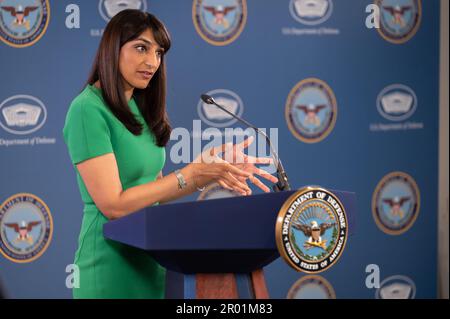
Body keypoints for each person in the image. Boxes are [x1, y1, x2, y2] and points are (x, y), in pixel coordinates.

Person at [62, 9, 278, 299]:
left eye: (159, 52)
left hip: (150, 262)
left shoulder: (138, 107)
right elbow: (113, 205)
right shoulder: (87, 109)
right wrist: (190, 173)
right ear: (113, 48)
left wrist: (209, 171)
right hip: (109, 266)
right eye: (141, 48)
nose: (152, 62)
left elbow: (157, 192)